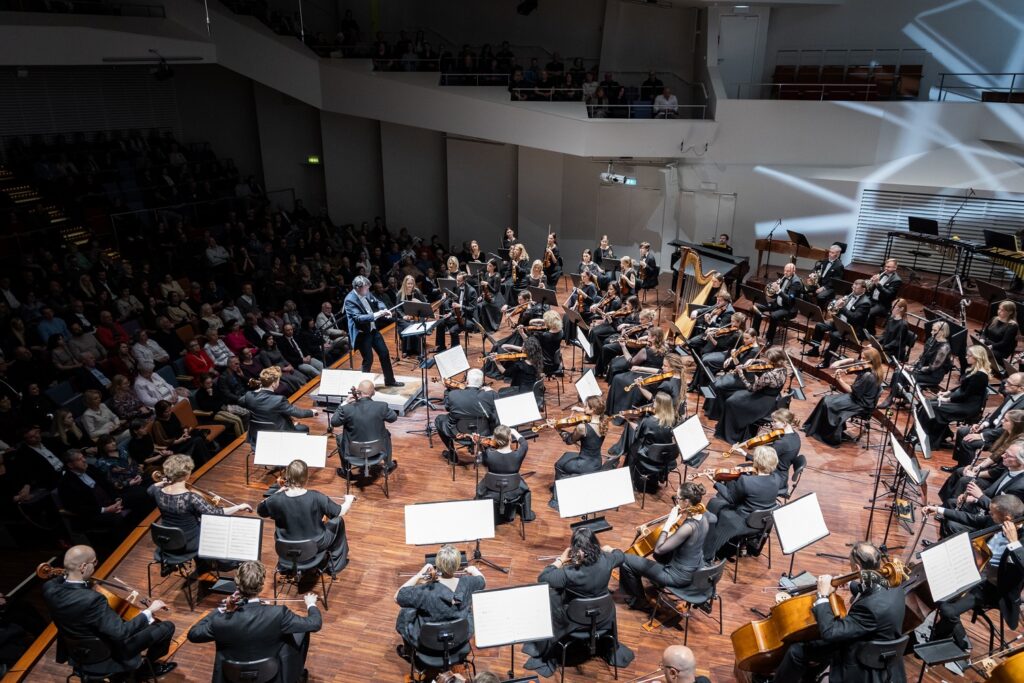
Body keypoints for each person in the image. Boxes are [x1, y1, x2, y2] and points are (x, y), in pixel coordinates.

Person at [772, 542, 906, 682]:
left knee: (797, 651)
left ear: (857, 568)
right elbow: (872, 592)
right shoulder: (893, 583)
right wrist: (849, 583)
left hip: (860, 656)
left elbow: (830, 633)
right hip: (878, 644)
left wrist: (822, 596)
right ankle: (810, 676)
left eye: (851, 566)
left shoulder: (869, 609)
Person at [43, 545, 176, 678]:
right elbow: (121, 632)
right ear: (83, 567)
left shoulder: (49, 589)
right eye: (94, 562)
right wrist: (150, 610)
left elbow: (60, 578)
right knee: (166, 627)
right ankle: (145, 670)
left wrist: (68, 571)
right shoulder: (92, 599)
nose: (95, 566)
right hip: (104, 655)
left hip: (76, 651)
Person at [522, 528, 634, 677]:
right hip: (603, 616)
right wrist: (608, 549)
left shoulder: (569, 573)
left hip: (575, 620)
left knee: (552, 597)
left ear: (576, 550)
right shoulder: (607, 560)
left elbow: (543, 578)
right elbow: (620, 556)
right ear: (595, 545)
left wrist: (561, 559)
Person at [187, 560, 322, 683]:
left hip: (232, 674)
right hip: (269, 672)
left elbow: (193, 634)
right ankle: (295, 673)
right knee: (301, 633)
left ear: (237, 584)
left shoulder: (219, 621)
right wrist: (311, 604)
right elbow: (314, 624)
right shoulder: (278, 614)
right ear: (261, 585)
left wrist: (221, 609)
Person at [924, 495, 1024, 652]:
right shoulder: (996, 520)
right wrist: (938, 509)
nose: (988, 515)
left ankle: (938, 640)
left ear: (1007, 517)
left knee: (948, 610)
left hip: (992, 587)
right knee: (935, 586)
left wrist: (1014, 543)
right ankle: (953, 631)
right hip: (975, 569)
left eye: (992, 513)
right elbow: (972, 519)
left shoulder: (1021, 539)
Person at [619, 482, 713, 608]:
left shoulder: (688, 527)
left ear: (686, 501)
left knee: (626, 561)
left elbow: (658, 550)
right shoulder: (705, 515)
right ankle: (658, 582)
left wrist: (668, 523)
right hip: (695, 568)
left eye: (677, 498)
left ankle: (639, 600)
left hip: (678, 577)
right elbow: (713, 520)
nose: (676, 501)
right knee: (660, 557)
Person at [258, 459, 354, 576]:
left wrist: (278, 492)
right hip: (315, 545)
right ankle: (336, 566)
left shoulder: (276, 500)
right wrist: (348, 500)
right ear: (305, 478)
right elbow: (341, 511)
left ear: (287, 476)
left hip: (285, 547)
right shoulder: (316, 497)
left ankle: (284, 566)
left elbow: (260, 510)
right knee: (338, 521)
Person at [394, 544, 485, 661]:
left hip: (428, 643)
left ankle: (408, 652)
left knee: (406, 611)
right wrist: (474, 570)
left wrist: (418, 575)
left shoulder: (426, 591)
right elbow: (482, 580)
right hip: (459, 639)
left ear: (437, 564)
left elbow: (397, 597)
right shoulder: (468, 583)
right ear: (457, 565)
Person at [149, 454, 252, 553]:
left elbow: (150, 489)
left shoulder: (157, 491)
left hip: (166, 539)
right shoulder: (191, 498)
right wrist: (238, 507)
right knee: (216, 528)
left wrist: (164, 481)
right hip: (188, 542)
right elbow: (217, 513)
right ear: (186, 475)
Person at [924, 441, 1024, 536]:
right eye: (1005, 453)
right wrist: (973, 498)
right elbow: (992, 491)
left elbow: (1001, 511)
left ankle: (946, 540)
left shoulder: (1020, 487)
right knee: (951, 502)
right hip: (988, 508)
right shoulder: (1010, 469)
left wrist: (980, 496)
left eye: (1008, 455)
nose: (1002, 456)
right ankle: (942, 538)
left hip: (993, 520)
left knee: (952, 525)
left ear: (1021, 461)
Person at [702, 446, 780, 562]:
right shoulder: (777, 478)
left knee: (715, 504)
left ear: (757, 461)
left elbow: (730, 498)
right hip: (763, 520)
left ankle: (708, 552)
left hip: (744, 520)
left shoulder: (747, 481)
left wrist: (715, 482)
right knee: (717, 503)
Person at [938, 410, 1024, 509]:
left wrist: (975, 474)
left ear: (1016, 425)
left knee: (964, 480)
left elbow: (997, 472)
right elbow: (994, 456)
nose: (1001, 422)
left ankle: (953, 509)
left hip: (997, 478)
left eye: (1006, 420)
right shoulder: (1008, 434)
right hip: (995, 472)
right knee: (959, 471)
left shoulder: (1017, 445)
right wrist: (976, 467)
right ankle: (945, 504)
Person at [803, 347, 883, 446]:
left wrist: (839, 379)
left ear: (871, 360)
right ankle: (816, 428)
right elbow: (854, 362)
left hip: (861, 403)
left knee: (829, 404)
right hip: (858, 398)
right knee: (826, 399)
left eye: (863, 358)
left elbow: (851, 390)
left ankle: (830, 435)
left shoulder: (868, 376)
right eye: (861, 357)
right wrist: (842, 363)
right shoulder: (871, 368)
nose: (860, 360)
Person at [915, 345, 990, 448]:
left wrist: (948, 399)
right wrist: (947, 392)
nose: (966, 357)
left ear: (977, 357)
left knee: (933, 408)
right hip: (963, 401)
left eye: (969, 356)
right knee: (927, 404)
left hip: (968, 406)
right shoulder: (974, 370)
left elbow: (966, 394)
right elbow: (963, 387)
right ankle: (925, 435)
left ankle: (931, 442)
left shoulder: (980, 375)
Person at [713, 347, 789, 443]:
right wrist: (755, 360)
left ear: (774, 360)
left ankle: (731, 433)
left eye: (768, 359)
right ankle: (730, 428)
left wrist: (741, 374)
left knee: (730, 402)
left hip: (761, 402)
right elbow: (766, 367)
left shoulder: (768, 376)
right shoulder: (783, 370)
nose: (766, 361)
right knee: (734, 396)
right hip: (771, 401)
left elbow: (751, 388)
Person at [949, 372, 1024, 468]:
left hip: (1002, 437)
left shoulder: (1022, 406)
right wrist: (983, 425)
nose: (1005, 385)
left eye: (1010, 384)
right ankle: (959, 465)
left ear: (1021, 388)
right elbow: (997, 414)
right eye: (1006, 381)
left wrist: (982, 435)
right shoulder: (1011, 395)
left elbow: (1009, 430)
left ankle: (965, 470)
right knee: (962, 431)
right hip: (993, 429)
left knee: (968, 442)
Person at [329, 379, 398, 476]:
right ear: (373, 392)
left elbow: (334, 422)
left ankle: (346, 472)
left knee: (340, 438)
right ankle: (388, 465)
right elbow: (393, 418)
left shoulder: (347, 408)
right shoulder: (381, 406)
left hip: (353, 452)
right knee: (386, 434)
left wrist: (345, 402)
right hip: (377, 450)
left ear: (358, 392)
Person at [549, 396, 608, 508]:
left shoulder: (582, 427)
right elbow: (595, 414)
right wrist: (582, 410)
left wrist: (558, 429)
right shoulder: (604, 420)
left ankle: (557, 498)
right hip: (596, 462)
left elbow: (569, 440)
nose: (584, 407)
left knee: (558, 465)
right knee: (567, 455)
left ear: (593, 410)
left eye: (586, 406)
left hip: (584, 464)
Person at [879, 321, 952, 409]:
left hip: (932, 375)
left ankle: (891, 398)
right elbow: (922, 357)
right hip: (922, 370)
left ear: (942, 332)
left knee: (901, 374)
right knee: (898, 370)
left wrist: (915, 369)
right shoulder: (931, 340)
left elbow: (933, 367)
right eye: (932, 330)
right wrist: (912, 366)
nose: (931, 332)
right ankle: (902, 397)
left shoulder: (944, 348)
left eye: (934, 330)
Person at [344, 276, 402, 387]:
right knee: (368, 360)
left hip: (373, 330)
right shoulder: (350, 300)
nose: (367, 291)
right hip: (362, 333)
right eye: (365, 288)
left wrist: (384, 310)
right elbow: (358, 318)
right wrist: (377, 314)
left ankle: (390, 381)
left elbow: (377, 302)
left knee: (384, 353)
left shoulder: (366, 292)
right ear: (357, 288)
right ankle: (362, 388)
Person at [435, 368, 496, 465]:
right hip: (483, 433)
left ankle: (452, 454)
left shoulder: (453, 394)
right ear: (481, 384)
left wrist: (447, 390)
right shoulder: (491, 395)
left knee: (439, 419)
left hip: (458, 433)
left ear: (467, 381)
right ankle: (487, 453)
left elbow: (447, 408)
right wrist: (491, 391)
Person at [476, 425, 535, 523]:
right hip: (513, 489)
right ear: (510, 438)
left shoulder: (489, 455)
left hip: (492, 489)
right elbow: (524, 443)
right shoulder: (518, 454)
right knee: (525, 488)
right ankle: (526, 515)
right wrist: (515, 432)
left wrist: (478, 445)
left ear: (495, 439)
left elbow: (483, 460)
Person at [806, 278, 871, 364]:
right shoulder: (851, 295)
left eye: (856, 288)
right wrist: (836, 307)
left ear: (863, 289)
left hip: (851, 328)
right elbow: (839, 311)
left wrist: (842, 307)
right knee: (819, 325)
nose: (853, 289)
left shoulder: (865, 303)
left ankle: (826, 360)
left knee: (835, 335)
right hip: (839, 322)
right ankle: (815, 350)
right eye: (853, 287)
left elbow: (854, 318)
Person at [238, 366, 317, 433]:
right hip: (278, 432)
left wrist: (257, 391)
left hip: (259, 433)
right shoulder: (278, 400)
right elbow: (299, 414)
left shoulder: (248, 396)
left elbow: (240, 401)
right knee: (304, 428)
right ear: (273, 384)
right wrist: (312, 412)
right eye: (278, 380)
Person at [751, 262, 804, 344]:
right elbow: (774, 295)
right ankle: (754, 332)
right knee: (758, 307)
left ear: (794, 271)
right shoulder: (784, 278)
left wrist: (778, 290)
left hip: (788, 308)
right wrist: (773, 289)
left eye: (788, 271)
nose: (785, 273)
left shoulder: (796, 283)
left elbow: (789, 300)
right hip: (778, 304)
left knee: (774, 315)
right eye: (784, 270)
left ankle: (769, 339)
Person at [434, 271, 477, 352]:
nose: (456, 282)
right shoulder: (457, 288)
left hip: (468, 318)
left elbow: (472, 309)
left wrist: (460, 306)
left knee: (453, 330)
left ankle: (456, 351)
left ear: (464, 281)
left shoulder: (472, 291)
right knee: (440, 323)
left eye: (459, 281)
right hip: (457, 316)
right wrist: (450, 313)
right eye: (456, 280)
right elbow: (453, 304)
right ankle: (440, 346)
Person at [865, 258, 903, 333]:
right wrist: (872, 283)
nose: (886, 268)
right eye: (886, 266)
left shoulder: (896, 280)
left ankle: (870, 332)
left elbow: (888, 294)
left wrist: (878, 284)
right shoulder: (882, 274)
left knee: (869, 313)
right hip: (872, 300)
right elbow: (872, 288)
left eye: (889, 267)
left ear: (895, 268)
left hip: (883, 304)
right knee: (860, 306)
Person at [983, 300, 1020, 366]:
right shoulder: (994, 319)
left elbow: (1004, 343)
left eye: (1002, 310)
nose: (999, 311)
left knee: (980, 353)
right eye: (999, 309)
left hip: (1000, 350)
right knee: (971, 350)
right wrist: (982, 339)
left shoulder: (1012, 326)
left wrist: (991, 346)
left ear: (1010, 312)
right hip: (988, 344)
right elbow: (985, 332)